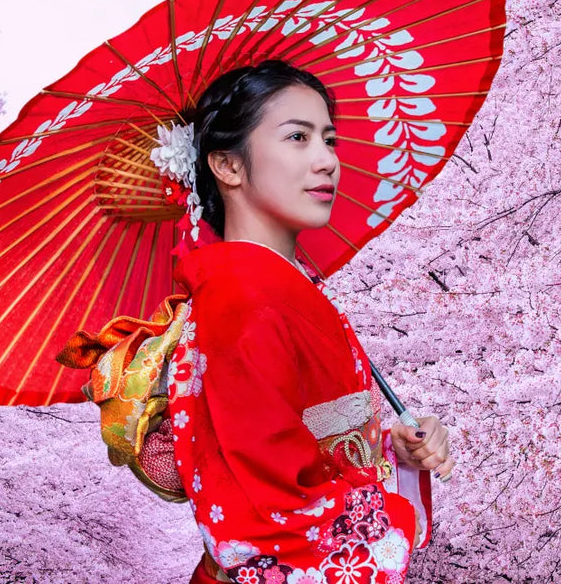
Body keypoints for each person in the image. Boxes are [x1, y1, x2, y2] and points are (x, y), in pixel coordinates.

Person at [167, 59, 454, 584]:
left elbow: (319, 442)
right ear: (227, 166)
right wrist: (394, 516)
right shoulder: (237, 296)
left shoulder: (279, 287)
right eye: (297, 138)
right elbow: (269, 506)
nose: (326, 161)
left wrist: (397, 453)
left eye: (329, 139)